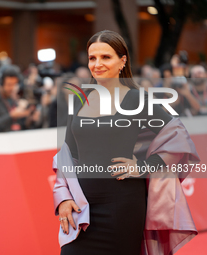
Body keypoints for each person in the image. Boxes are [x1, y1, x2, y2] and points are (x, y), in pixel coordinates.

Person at [53, 30, 200, 255]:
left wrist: (143, 166)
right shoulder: (79, 99)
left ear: (123, 61)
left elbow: (178, 136)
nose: (97, 64)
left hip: (121, 207)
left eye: (106, 57)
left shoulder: (135, 99)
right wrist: (63, 198)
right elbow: (67, 156)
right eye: (92, 58)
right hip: (82, 208)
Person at [0, 65, 33, 133]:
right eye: (9, 84)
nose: (12, 88)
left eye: (14, 84)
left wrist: (28, 118)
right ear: (1, 83)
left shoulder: (14, 100)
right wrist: (11, 115)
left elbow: (21, 126)